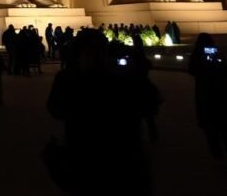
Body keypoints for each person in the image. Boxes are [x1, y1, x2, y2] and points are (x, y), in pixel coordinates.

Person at [47, 29, 157, 195]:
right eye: (92, 52)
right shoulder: (70, 79)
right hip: (94, 155)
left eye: (99, 51)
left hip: (112, 155)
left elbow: (56, 110)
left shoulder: (116, 77)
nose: (97, 57)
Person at [188, 33, 227, 164]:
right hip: (221, 96)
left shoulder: (197, 58)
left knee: (213, 130)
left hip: (207, 98)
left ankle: (220, 155)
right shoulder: (200, 59)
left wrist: (219, 61)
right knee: (226, 129)